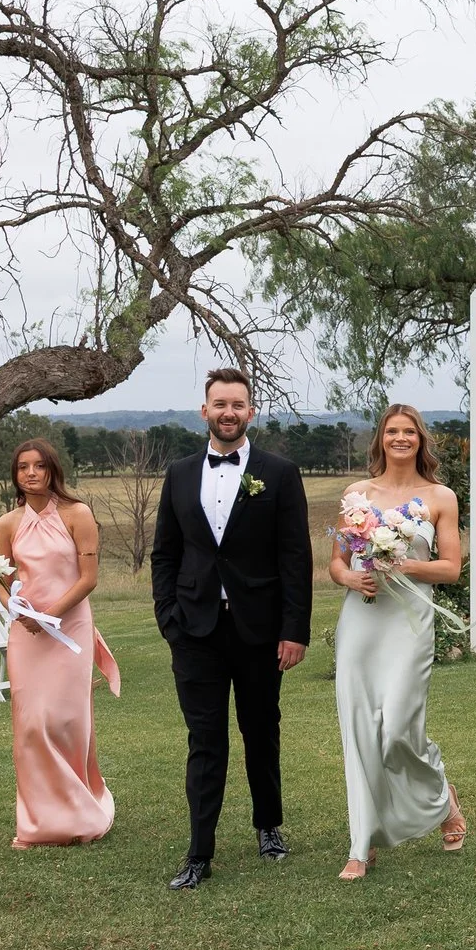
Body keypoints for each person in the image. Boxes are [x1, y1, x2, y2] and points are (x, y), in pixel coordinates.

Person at [151, 367, 312, 891]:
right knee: (205, 740)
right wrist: (168, 618)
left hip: (261, 630)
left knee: (261, 731)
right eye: (219, 404)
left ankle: (268, 826)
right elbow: (165, 554)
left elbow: (295, 557)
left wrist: (295, 630)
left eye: (237, 404)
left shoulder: (280, 473)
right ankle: (199, 853)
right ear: (205, 411)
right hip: (194, 630)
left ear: (251, 411)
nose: (228, 413)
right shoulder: (178, 473)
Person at [330, 404, 467, 881]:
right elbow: (336, 564)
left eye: (410, 432)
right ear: (381, 439)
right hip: (361, 622)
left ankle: (440, 794)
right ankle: (360, 843)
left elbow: (451, 568)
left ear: (421, 440)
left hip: (410, 622)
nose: (401, 439)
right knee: (359, 731)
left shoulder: (440, 497)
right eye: (393, 431)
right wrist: (353, 578)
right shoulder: (357, 494)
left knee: (398, 730)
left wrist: (401, 565)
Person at [0, 438, 118, 847]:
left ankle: (79, 813)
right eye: (22, 467)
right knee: (30, 724)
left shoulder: (77, 514)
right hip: (26, 636)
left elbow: (88, 578)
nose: (30, 473)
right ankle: (36, 823)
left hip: (69, 631)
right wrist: (18, 611)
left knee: (64, 721)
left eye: (38, 466)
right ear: (15, 474)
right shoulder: (7, 523)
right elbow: (1, 582)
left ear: (52, 470)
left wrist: (51, 615)